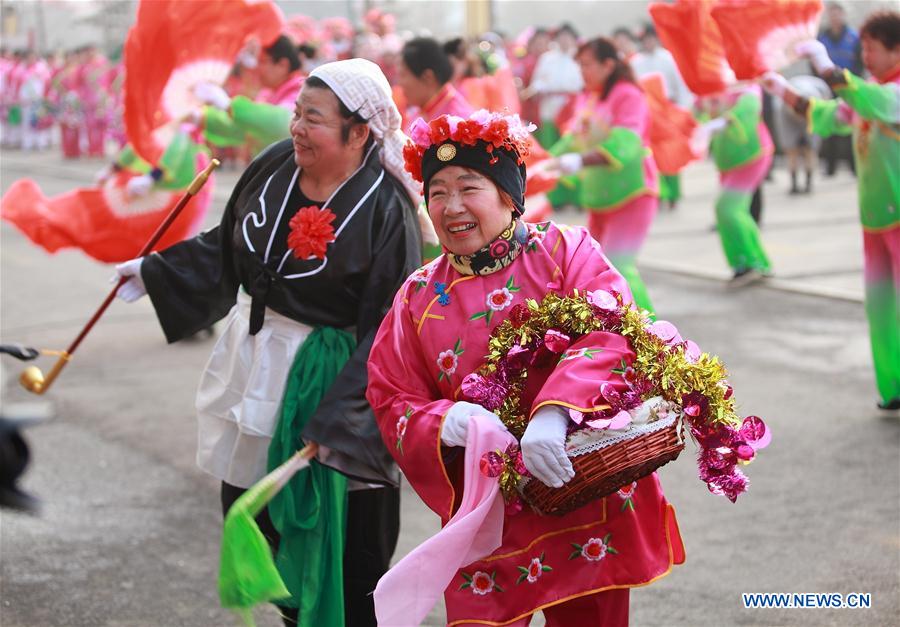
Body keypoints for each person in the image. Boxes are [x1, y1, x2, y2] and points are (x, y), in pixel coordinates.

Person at [114, 58, 424, 625]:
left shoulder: (386, 209)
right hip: (257, 356)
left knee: (340, 528)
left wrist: (344, 421)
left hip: (332, 374)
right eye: (296, 114)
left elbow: (390, 327)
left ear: (359, 133)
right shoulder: (277, 163)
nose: (297, 129)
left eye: (314, 118)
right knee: (258, 507)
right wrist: (157, 272)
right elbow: (231, 239)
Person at [367, 110, 683, 626]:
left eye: (469, 188)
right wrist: (447, 422)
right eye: (438, 192)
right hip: (488, 512)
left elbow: (614, 332)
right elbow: (390, 393)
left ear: (510, 195)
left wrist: (554, 414)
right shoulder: (417, 296)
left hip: (585, 498)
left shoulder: (567, 250)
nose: (452, 207)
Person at [763, 10, 900, 410]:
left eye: (872, 49)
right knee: (880, 310)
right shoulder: (868, 91)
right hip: (874, 219)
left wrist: (826, 66)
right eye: (864, 50)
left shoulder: (887, 94)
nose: (866, 57)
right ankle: (892, 388)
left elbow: (871, 101)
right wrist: (781, 89)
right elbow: (828, 115)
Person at [549, 37, 659, 313]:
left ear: (608, 65)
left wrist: (579, 159)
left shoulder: (628, 94)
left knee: (619, 265)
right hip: (599, 195)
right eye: (580, 65)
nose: (582, 71)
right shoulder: (589, 97)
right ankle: (618, 333)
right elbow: (573, 139)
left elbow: (627, 142)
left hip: (632, 191)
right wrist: (545, 162)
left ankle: (652, 336)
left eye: (587, 65)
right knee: (596, 269)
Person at [696, 85, 774, 285]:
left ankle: (753, 264)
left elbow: (750, 106)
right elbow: (698, 111)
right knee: (732, 211)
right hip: (728, 158)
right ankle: (747, 264)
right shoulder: (715, 81)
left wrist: (721, 122)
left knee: (728, 209)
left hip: (751, 154)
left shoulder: (745, 82)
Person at [196, 35, 306, 155]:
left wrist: (228, 105)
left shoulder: (302, 91)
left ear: (282, 65)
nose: (257, 68)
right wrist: (200, 117)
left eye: (263, 61)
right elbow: (243, 130)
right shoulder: (267, 93)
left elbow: (282, 123)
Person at [630, 24, 693, 210]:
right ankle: (657, 192)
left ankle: (673, 193)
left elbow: (680, 84)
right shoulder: (636, 62)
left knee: (671, 153)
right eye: (645, 39)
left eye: (651, 38)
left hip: (667, 111)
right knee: (652, 155)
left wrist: (681, 109)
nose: (648, 42)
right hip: (647, 114)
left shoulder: (668, 58)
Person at [818, 2, 863, 176]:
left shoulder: (854, 37)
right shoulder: (822, 37)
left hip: (848, 86)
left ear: (843, 15)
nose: (835, 17)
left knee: (852, 124)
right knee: (830, 122)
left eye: (838, 14)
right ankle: (830, 167)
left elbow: (860, 63)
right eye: (832, 14)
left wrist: (851, 83)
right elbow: (814, 64)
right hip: (828, 87)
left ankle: (853, 166)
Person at [527, 23, 583, 148]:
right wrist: (539, 88)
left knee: (570, 142)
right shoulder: (547, 58)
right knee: (549, 142)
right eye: (562, 37)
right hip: (550, 104)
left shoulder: (580, 57)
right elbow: (537, 81)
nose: (565, 41)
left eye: (568, 37)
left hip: (572, 105)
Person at [397, 37, 473, 130]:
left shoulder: (456, 123)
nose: (399, 83)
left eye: (403, 75)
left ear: (428, 77)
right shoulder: (422, 110)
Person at [774, 75, 831, 194]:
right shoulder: (784, 100)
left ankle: (808, 183)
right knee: (792, 150)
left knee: (810, 150)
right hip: (789, 114)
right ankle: (794, 183)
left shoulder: (818, 98)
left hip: (812, 112)